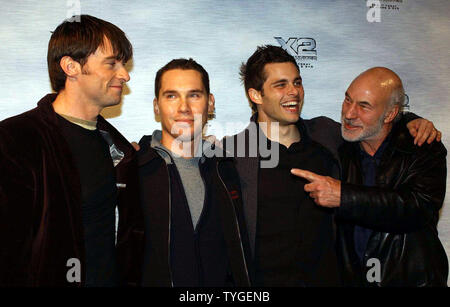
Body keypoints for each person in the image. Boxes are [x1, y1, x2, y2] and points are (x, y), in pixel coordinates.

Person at [227, 45, 441, 286]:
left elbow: (378, 126)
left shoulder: (327, 135)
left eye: (297, 82)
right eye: (281, 85)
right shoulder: (232, 155)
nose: (294, 92)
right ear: (256, 95)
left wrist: (412, 121)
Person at [0, 15, 143, 287]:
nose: (125, 74)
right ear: (71, 66)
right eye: (112, 63)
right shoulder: (16, 139)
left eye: (123, 64)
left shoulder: (121, 151)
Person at [291, 67, 448, 286]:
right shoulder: (337, 147)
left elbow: (416, 208)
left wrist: (343, 196)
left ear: (391, 114)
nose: (349, 113)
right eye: (348, 100)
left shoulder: (422, 147)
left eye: (364, 106)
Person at [137, 58, 251, 287]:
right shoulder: (134, 172)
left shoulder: (226, 170)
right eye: (171, 96)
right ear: (156, 106)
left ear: (210, 103)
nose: (184, 108)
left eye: (194, 95)